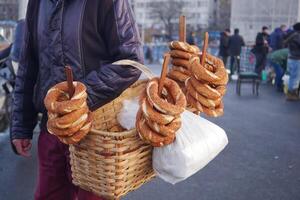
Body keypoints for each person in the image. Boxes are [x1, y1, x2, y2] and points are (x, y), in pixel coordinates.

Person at [10, 0, 143, 199]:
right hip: (51, 131)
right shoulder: (38, 3)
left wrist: (79, 97)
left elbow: (130, 61)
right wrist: (21, 125)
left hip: (95, 133)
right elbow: (28, 64)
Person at [284, 22, 300, 101]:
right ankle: (291, 94)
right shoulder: (297, 36)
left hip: (291, 57)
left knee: (293, 77)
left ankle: (291, 93)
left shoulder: (292, 35)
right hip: (296, 58)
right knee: (295, 77)